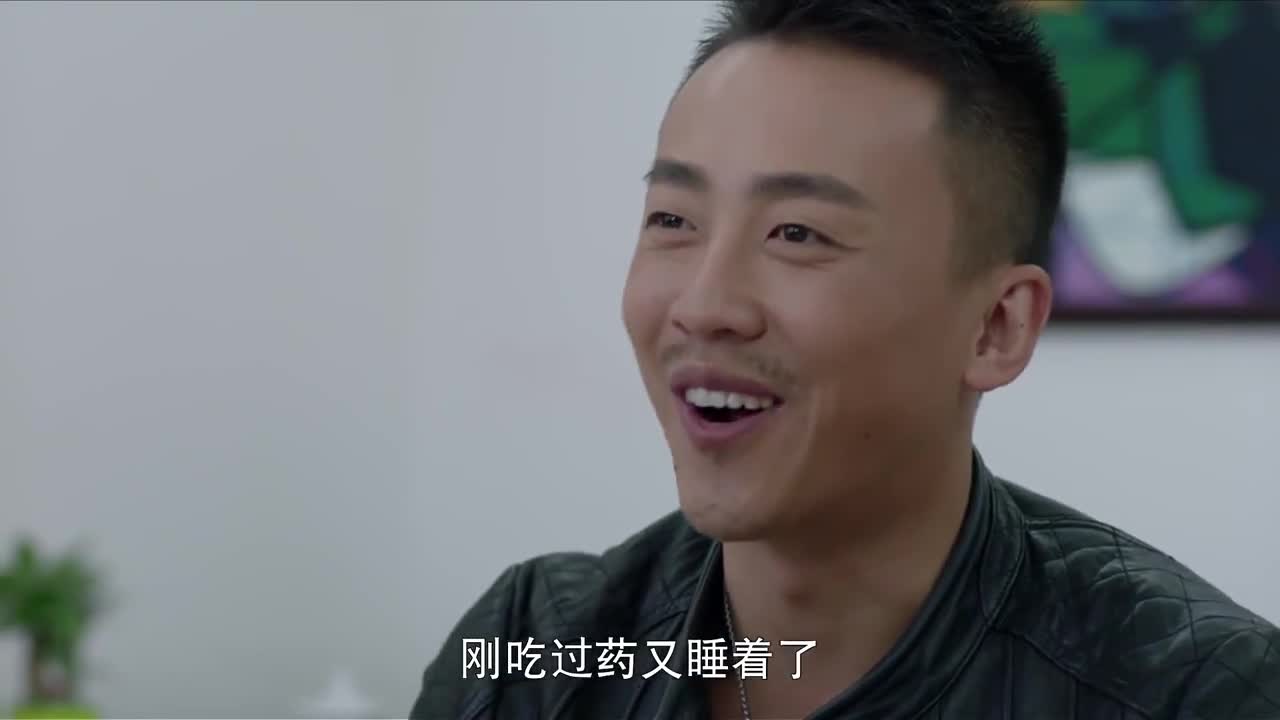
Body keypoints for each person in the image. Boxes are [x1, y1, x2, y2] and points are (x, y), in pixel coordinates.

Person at [411, 1, 1280, 718]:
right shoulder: (536, 652)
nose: (703, 306)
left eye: (798, 233)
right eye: (673, 220)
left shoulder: (1193, 690)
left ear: (995, 327)